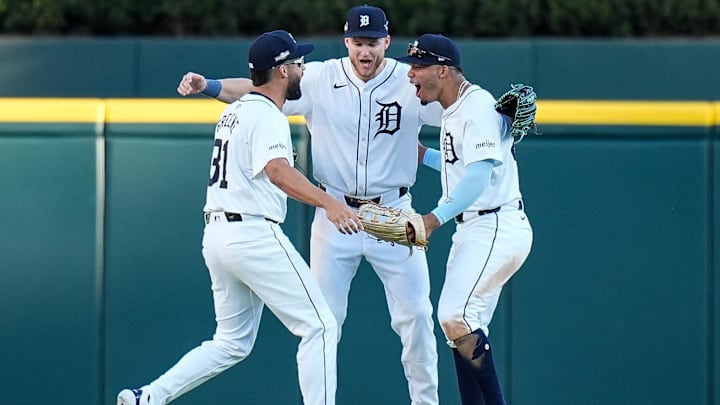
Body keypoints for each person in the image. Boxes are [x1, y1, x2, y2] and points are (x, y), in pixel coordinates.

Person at [176, 5, 443, 404]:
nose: (364, 51)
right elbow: (259, 90)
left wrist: (495, 120)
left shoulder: (409, 83)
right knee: (322, 320)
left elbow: (454, 107)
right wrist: (210, 86)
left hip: (393, 213)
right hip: (334, 213)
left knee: (418, 318)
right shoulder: (320, 77)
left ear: (387, 42)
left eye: (372, 43)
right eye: (357, 42)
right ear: (346, 41)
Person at [116, 29, 364, 405]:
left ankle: (147, 397)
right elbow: (278, 171)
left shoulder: (236, 110)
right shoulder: (267, 115)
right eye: (297, 62)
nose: (302, 69)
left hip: (217, 235)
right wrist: (330, 204)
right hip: (252, 234)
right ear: (281, 71)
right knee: (321, 325)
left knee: (232, 342)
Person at [397, 34, 534, 405]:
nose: (411, 75)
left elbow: (479, 177)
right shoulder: (455, 109)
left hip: (495, 224)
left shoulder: (476, 107)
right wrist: (422, 155)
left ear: (442, 70)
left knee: (454, 314)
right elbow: (460, 165)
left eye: (418, 67)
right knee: (461, 328)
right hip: (476, 226)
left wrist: (434, 219)